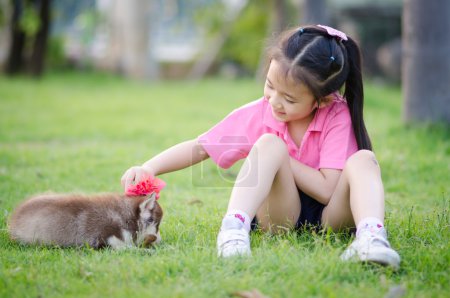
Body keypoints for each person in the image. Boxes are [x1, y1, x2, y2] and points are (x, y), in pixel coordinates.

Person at [121, 25, 400, 268]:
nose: (275, 101)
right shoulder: (261, 111)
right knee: (269, 143)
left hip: (332, 218)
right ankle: (233, 230)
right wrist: (149, 167)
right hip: (280, 215)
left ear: (322, 100)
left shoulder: (336, 115)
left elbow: (329, 190)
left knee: (364, 159)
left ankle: (371, 237)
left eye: (289, 98)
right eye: (270, 85)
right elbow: (202, 146)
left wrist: (285, 159)